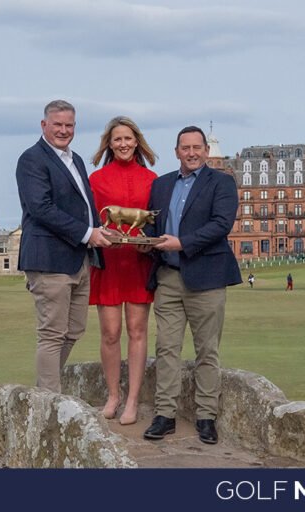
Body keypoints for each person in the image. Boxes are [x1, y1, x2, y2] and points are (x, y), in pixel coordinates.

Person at [141, 126, 241, 445]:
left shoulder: (222, 182)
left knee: (207, 350)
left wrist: (182, 243)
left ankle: (206, 416)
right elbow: (153, 227)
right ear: (176, 152)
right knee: (166, 348)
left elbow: (221, 225)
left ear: (206, 151)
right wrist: (142, 241)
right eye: (186, 148)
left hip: (207, 277)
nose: (192, 153)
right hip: (168, 277)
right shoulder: (161, 184)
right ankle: (165, 415)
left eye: (198, 147)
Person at [16, 99, 112, 394]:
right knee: (52, 334)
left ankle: (44, 393)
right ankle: (49, 400)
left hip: (78, 258)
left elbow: (84, 206)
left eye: (69, 125)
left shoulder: (76, 159)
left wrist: (98, 229)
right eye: (57, 124)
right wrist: (87, 233)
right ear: (43, 125)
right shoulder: (32, 159)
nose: (63, 130)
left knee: (74, 330)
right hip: (48, 260)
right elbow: (41, 208)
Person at [89, 116, 158, 425]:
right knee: (110, 333)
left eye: (128, 138)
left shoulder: (152, 179)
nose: (123, 144)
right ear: (109, 143)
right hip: (109, 263)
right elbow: (90, 220)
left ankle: (132, 400)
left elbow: (155, 222)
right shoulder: (96, 179)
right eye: (117, 139)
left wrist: (149, 243)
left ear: (137, 142)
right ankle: (113, 395)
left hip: (139, 263)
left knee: (138, 330)